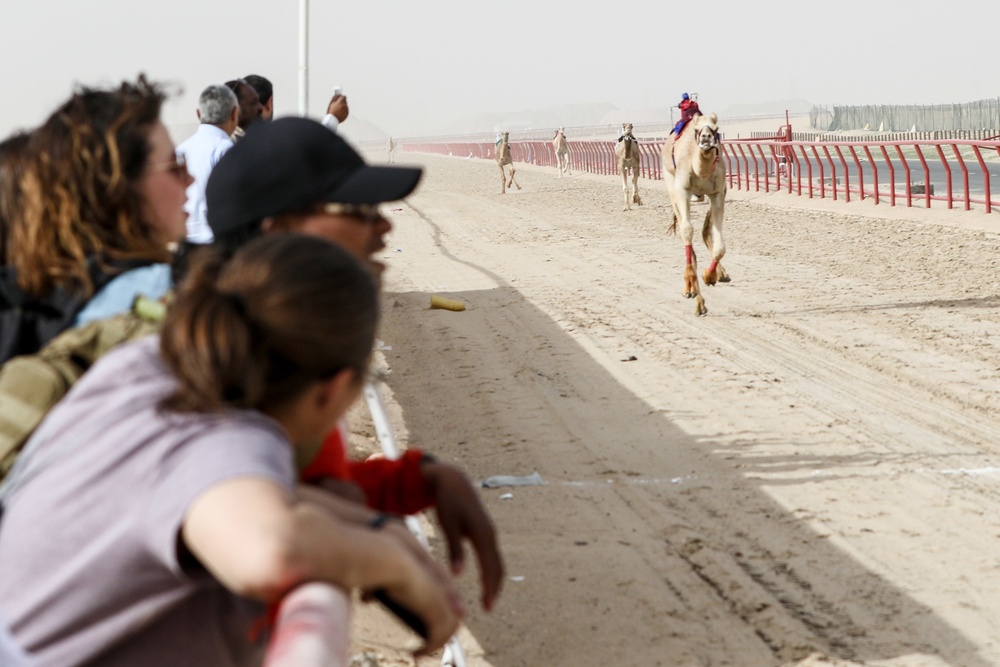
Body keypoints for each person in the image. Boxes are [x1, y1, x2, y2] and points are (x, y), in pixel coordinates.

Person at [0, 233, 464, 666]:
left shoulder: (147, 365)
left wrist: (375, 527)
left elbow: (189, 487)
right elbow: (271, 550)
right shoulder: (226, 433)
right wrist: (395, 563)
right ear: (336, 390)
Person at [205, 117, 505, 611]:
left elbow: (298, 490)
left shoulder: (277, 348)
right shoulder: (208, 375)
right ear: (279, 230)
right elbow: (263, 535)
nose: (384, 225)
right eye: (359, 209)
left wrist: (418, 479)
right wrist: (389, 553)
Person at [0, 76, 190, 363]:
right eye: (174, 165)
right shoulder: (159, 296)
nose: (190, 178)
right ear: (117, 188)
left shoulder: (40, 301)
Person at [175, 84, 239, 244]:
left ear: (198, 114)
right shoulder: (227, 150)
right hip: (214, 242)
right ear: (234, 114)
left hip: (182, 240)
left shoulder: (180, 150)